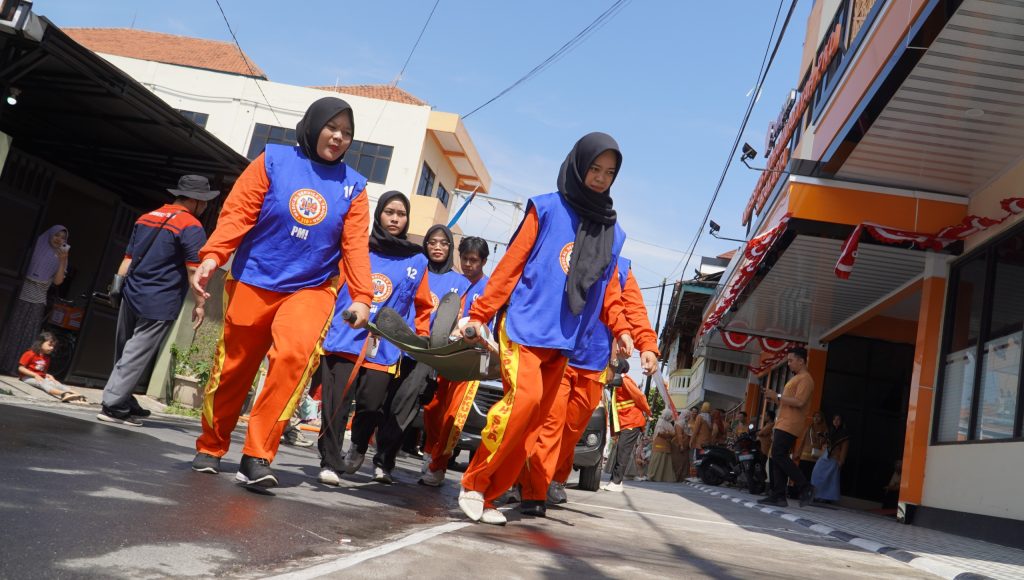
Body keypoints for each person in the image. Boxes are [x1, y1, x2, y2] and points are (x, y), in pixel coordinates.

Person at [190, 97, 373, 488]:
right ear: (313, 125)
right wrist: (213, 256)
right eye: (332, 127)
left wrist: (361, 296)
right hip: (255, 278)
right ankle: (211, 444)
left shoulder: (354, 187)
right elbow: (238, 212)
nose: (339, 137)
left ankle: (257, 455)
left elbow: (355, 245)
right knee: (235, 367)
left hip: (312, 287)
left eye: (347, 133)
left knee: (293, 356)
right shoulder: (272, 160)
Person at [457, 132, 630, 525]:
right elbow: (511, 266)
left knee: (535, 423)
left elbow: (609, 292)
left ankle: (490, 496)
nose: (601, 178)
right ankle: (473, 482)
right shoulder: (547, 209)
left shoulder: (612, 233)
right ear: (578, 165)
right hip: (524, 329)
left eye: (609, 173)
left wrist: (620, 329)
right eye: (594, 169)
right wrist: (480, 313)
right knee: (523, 406)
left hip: (566, 341)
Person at [517, 255, 657, 515]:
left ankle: (555, 478)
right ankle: (532, 487)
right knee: (550, 424)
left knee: (572, 430)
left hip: (593, 364)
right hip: (556, 354)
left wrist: (647, 345)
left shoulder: (621, 265)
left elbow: (635, 310)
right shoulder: (566, 248)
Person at [317, 190, 433, 486]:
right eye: (389, 212)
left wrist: (421, 338)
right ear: (379, 214)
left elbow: (422, 305)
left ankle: (358, 444)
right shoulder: (356, 248)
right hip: (345, 336)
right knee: (336, 402)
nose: (395, 218)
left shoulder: (417, 259)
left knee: (371, 405)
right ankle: (329, 460)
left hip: (383, 348)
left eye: (401, 214)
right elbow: (333, 286)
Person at [97, 175, 215, 426]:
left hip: (131, 292)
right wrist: (200, 303)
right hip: (160, 300)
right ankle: (113, 405)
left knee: (125, 350)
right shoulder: (191, 226)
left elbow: (128, 258)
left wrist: (116, 288)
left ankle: (124, 397)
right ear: (194, 201)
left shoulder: (146, 217)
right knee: (136, 352)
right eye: (204, 202)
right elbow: (194, 270)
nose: (205, 207)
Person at [419, 235, 491, 485]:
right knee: (433, 407)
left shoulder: (489, 290)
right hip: (443, 356)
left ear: (483, 261)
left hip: (469, 362)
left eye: (474, 260)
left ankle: (439, 465)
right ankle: (428, 452)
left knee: (453, 415)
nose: (469, 264)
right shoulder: (453, 283)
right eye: (465, 259)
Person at [0, 225, 69, 375]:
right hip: (20, 293)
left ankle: (16, 367)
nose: (59, 239)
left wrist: (63, 261)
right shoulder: (36, 246)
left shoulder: (60, 256)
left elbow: (57, 281)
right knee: (11, 328)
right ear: (50, 235)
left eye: (63, 238)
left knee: (27, 333)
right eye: (56, 235)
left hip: (38, 298)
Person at [758, 347, 815, 507]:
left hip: (790, 423)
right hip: (783, 422)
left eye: (790, 360)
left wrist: (777, 395)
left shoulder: (805, 379)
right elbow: (788, 401)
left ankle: (805, 486)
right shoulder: (797, 378)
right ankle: (779, 496)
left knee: (779, 455)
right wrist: (774, 397)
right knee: (777, 457)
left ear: (801, 361)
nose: (788, 364)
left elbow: (799, 402)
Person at [604, 367, 651, 492]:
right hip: (625, 422)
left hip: (632, 421)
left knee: (623, 452)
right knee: (620, 451)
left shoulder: (625, 380)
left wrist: (648, 412)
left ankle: (617, 482)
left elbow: (640, 396)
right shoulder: (616, 381)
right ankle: (614, 481)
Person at [17, 331, 87, 403]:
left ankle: (77, 394)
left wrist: (48, 375)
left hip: (40, 377)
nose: (52, 348)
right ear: (41, 343)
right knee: (42, 383)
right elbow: (21, 368)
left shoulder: (46, 358)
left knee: (55, 383)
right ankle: (63, 394)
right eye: (50, 345)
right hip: (27, 377)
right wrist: (35, 375)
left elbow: (42, 372)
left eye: (53, 346)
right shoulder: (30, 353)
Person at [811, 413, 850, 503]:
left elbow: (844, 448)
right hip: (825, 457)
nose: (836, 421)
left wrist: (841, 460)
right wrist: (821, 437)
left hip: (834, 458)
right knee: (816, 473)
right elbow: (823, 443)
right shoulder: (830, 431)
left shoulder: (844, 434)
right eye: (834, 420)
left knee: (829, 479)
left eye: (838, 420)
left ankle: (825, 498)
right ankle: (815, 494)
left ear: (841, 422)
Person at [798, 411, 828, 485]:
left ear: (822, 418)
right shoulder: (809, 427)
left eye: (818, 416)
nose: (816, 418)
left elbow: (826, 443)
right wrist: (798, 452)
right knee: (801, 474)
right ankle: (799, 492)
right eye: (815, 416)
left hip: (816, 457)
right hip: (804, 456)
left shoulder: (825, 429)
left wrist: (822, 438)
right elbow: (802, 440)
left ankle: (809, 493)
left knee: (812, 476)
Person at [647, 410, 677, 482]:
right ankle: (653, 476)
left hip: (666, 444)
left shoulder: (668, 423)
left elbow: (672, 433)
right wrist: (669, 434)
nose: (670, 417)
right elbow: (660, 433)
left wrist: (668, 433)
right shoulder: (661, 422)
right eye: (670, 415)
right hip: (659, 444)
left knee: (665, 461)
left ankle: (663, 477)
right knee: (657, 460)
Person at [671, 408, 691, 481]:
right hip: (678, 445)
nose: (689, 417)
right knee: (678, 461)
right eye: (688, 415)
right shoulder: (679, 423)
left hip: (683, 445)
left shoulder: (684, 423)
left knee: (684, 461)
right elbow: (679, 435)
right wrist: (681, 445)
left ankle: (682, 477)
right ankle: (677, 477)